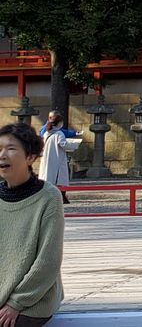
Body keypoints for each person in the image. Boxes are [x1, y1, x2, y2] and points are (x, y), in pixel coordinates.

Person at [0, 122, 65, 327]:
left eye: (10, 149)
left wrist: (16, 303)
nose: (2, 155)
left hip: (34, 298)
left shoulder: (48, 197)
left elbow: (49, 260)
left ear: (30, 157)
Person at [36, 114, 75, 206]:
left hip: (47, 158)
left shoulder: (46, 133)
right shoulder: (59, 134)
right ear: (59, 123)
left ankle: (46, 197)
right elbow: (63, 144)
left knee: (47, 177)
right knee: (60, 179)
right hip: (57, 158)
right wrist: (73, 145)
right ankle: (61, 197)